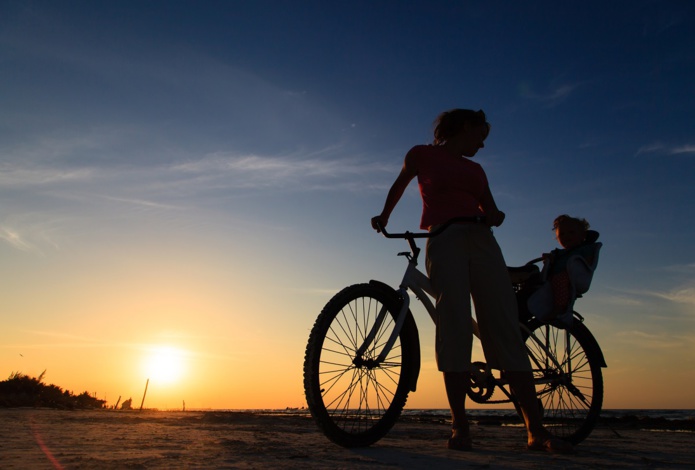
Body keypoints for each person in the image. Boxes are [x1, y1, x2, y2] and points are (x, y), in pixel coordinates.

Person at [370, 109, 573, 453]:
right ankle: (459, 425)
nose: (483, 144)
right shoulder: (421, 154)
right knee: (454, 324)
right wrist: (384, 215)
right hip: (444, 238)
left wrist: (495, 215)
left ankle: (535, 430)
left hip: (482, 241)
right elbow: (400, 184)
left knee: (504, 325)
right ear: (465, 127)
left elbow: (490, 209)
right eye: (481, 135)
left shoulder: (476, 170)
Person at [545, 215, 595, 316]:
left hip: (572, 277)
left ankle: (560, 307)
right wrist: (548, 258)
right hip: (553, 277)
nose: (566, 236)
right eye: (562, 234)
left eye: (571, 233)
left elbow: (588, 262)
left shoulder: (584, 249)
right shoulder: (559, 253)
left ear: (582, 235)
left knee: (560, 279)